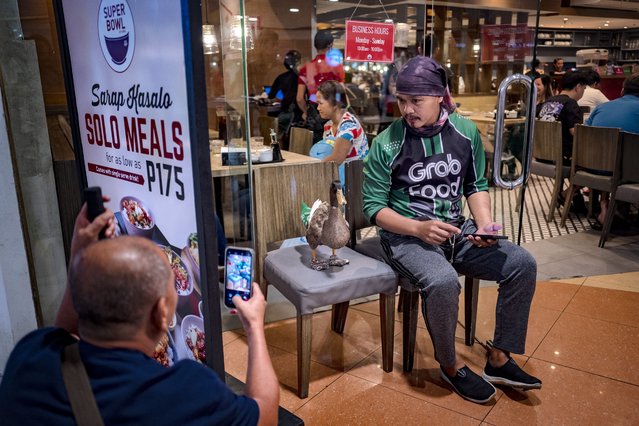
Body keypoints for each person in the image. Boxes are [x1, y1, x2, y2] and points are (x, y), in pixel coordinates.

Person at [362, 56, 541, 405]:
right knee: (443, 281)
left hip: (457, 230)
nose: (407, 109)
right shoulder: (386, 143)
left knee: (522, 264)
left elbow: (475, 184)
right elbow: (373, 209)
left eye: (417, 101)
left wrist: (486, 224)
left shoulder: (465, 131)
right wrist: (418, 227)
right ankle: (450, 364)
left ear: (440, 96)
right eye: (402, 100)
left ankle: (500, 358)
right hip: (405, 237)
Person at [0, 203, 279, 425]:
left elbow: (61, 335)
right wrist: (254, 325)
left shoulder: (29, 358)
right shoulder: (187, 393)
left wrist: (80, 256)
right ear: (161, 314)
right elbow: (265, 415)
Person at [586, 73, 639, 226]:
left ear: (622, 90)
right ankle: (618, 207)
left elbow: (585, 132)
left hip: (593, 166)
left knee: (615, 156)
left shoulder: (602, 107)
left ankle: (608, 204)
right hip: (627, 173)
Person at [296, 30, 345, 142]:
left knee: (316, 149)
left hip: (314, 115)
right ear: (330, 45)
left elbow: (299, 98)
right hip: (333, 115)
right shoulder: (336, 67)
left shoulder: (306, 68)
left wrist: (306, 112)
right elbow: (341, 94)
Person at [537, 70, 589, 164]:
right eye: (584, 88)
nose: (583, 92)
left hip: (542, 154)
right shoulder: (571, 103)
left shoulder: (549, 101)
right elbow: (576, 133)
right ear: (578, 87)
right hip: (562, 157)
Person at [316, 80, 369, 165]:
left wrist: (312, 167)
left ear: (335, 104)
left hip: (355, 176)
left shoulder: (348, 125)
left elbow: (337, 159)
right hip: (339, 174)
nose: (318, 108)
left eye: (320, 103)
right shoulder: (328, 126)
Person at [268, 49, 302, 147]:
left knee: (278, 136)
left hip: (285, 114)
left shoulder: (281, 77)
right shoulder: (302, 77)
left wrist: (282, 98)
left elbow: (271, 95)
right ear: (298, 62)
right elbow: (302, 98)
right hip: (298, 116)